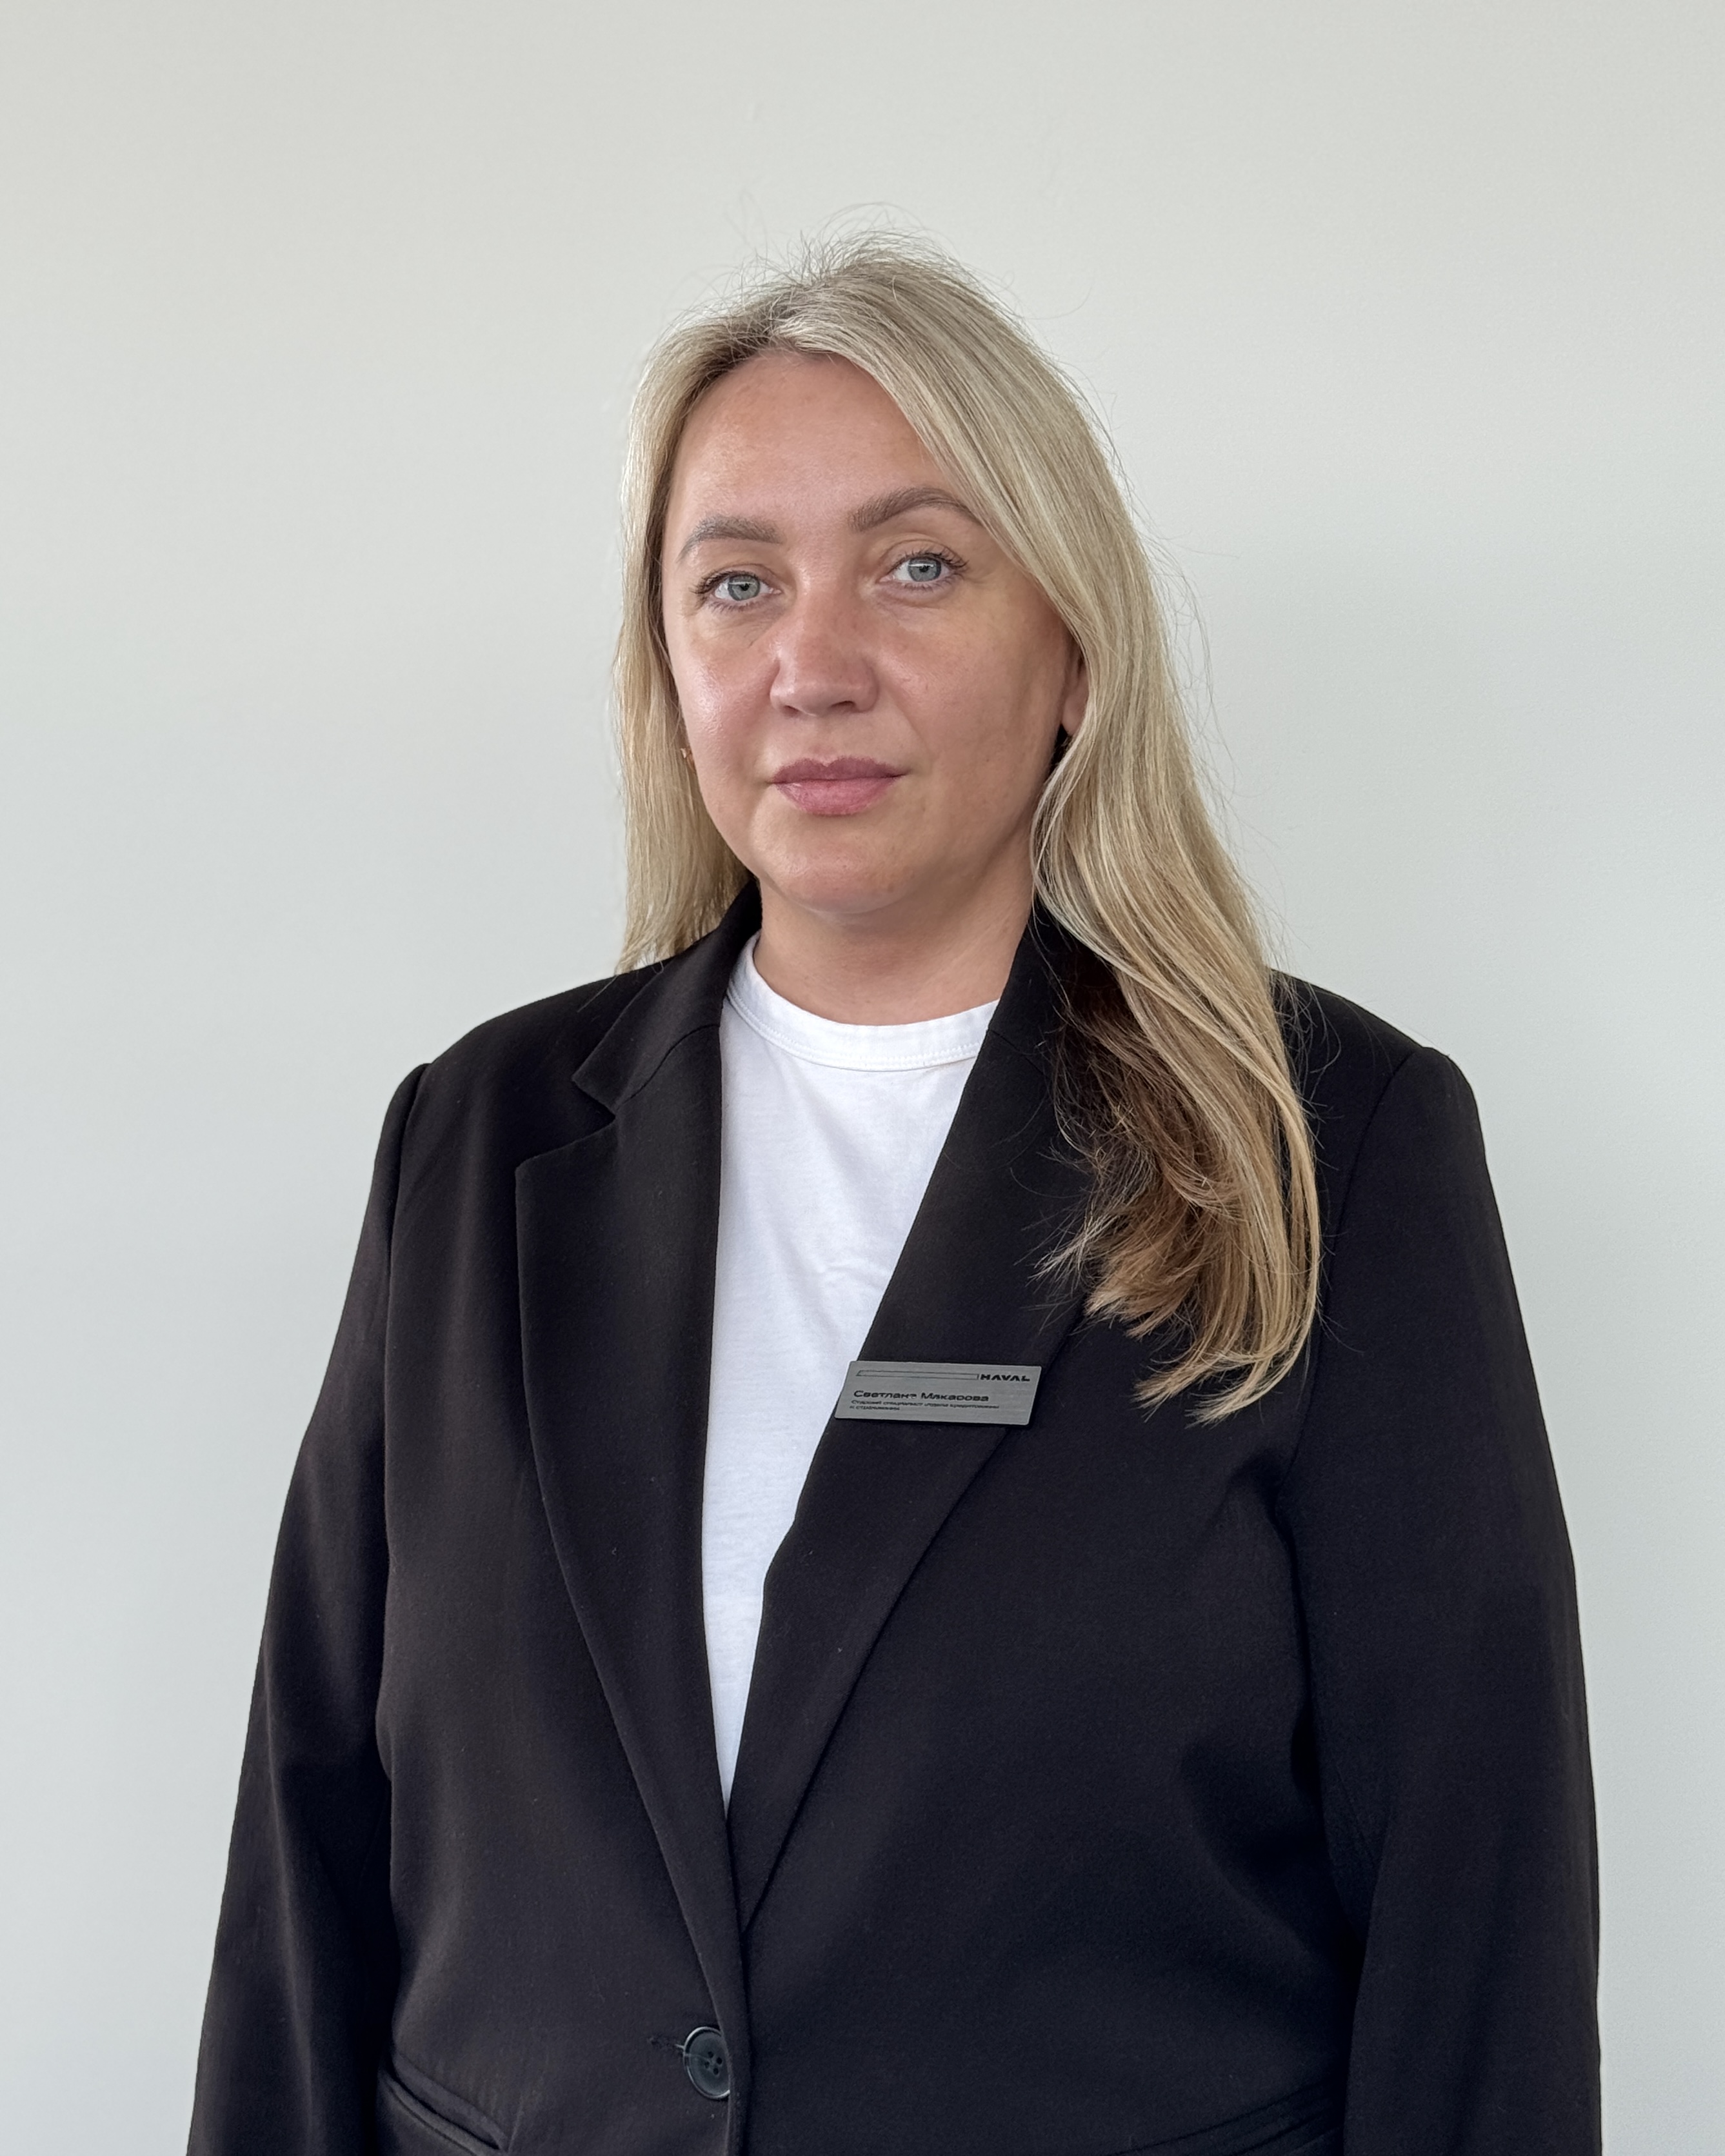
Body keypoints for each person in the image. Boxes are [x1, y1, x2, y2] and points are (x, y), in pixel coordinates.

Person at [188, 238, 1599, 2156]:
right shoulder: (476, 1138)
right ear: (666, 665)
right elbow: (311, 1833)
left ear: (1071, 648)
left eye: (918, 566)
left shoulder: (1322, 1140)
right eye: (736, 584)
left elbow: (1471, 1893)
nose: (814, 666)